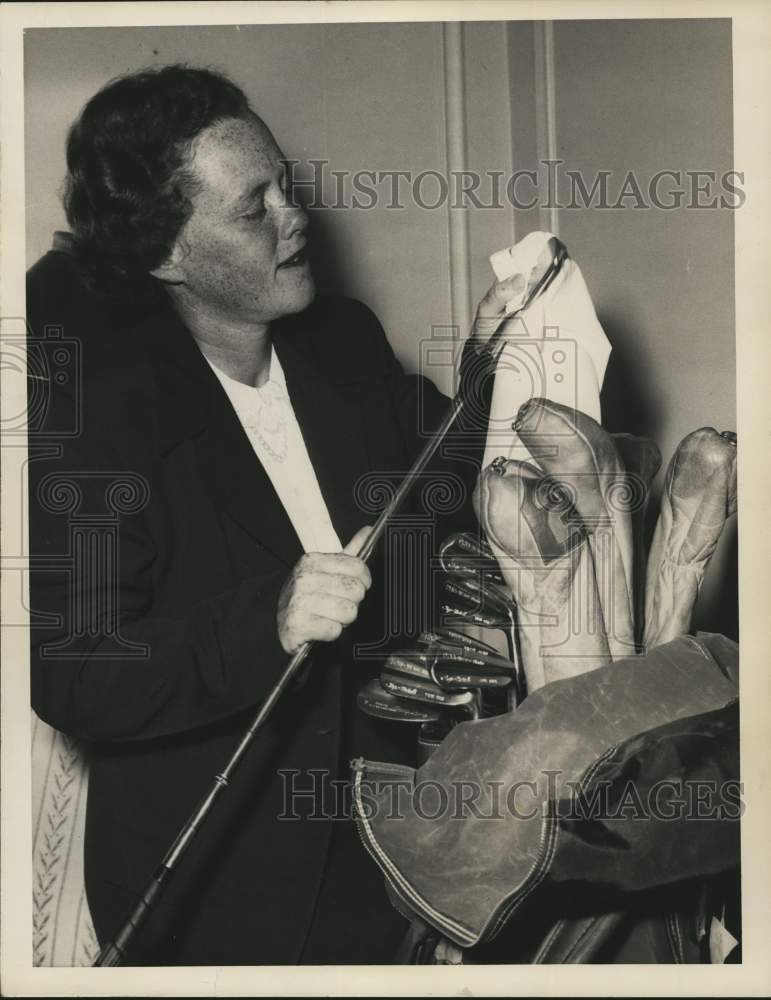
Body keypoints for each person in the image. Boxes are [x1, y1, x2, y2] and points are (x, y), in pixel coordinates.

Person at [27, 65, 519, 965]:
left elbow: (435, 485)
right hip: (219, 882)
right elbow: (74, 675)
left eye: (286, 185)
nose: (296, 218)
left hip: (379, 836)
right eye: (255, 209)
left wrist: (491, 365)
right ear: (165, 253)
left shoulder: (344, 339)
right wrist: (269, 619)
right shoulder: (101, 418)